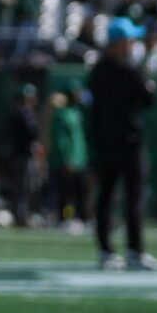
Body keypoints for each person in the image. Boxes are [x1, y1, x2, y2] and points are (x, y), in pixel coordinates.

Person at [89, 16, 157, 270]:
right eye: (130, 40)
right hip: (129, 141)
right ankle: (134, 250)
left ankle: (106, 250)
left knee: (106, 197)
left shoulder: (98, 69)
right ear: (120, 42)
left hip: (104, 141)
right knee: (133, 197)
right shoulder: (129, 69)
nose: (133, 44)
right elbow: (150, 97)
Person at [45, 88, 91, 230]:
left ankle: (81, 218)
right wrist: (66, 159)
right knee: (65, 192)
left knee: (80, 192)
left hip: (79, 160)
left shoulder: (78, 113)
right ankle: (65, 218)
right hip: (67, 161)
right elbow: (60, 140)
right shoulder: (62, 114)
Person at [5, 84, 44, 228]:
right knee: (23, 185)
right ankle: (20, 215)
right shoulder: (22, 113)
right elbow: (33, 131)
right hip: (22, 154)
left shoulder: (24, 112)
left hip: (24, 153)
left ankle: (23, 213)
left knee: (26, 185)